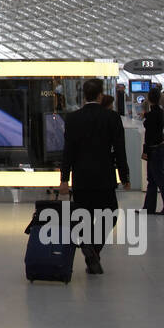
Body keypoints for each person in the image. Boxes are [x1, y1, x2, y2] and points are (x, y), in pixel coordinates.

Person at [57, 78, 130, 274]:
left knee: (84, 216)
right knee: (110, 212)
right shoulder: (112, 118)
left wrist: (64, 178)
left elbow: (68, 152)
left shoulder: (73, 119)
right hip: (105, 176)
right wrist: (124, 175)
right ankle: (94, 249)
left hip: (81, 177)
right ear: (100, 95)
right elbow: (120, 149)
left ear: (84, 96)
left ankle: (89, 248)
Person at [141, 88, 164, 215]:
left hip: (153, 149)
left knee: (158, 178)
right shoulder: (161, 113)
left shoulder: (151, 115)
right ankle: (149, 207)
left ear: (149, 99)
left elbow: (149, 133)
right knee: (154, 178)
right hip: (159, 147)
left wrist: (145, 150)